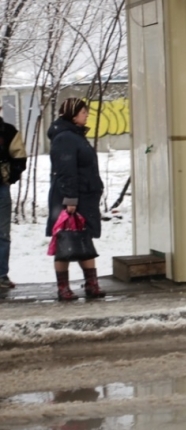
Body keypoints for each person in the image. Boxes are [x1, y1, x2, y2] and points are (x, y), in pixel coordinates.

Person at [47, 98, 105, 300]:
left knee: (83, 239)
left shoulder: (74, 136)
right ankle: (64, 287)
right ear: (73, 114)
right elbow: (66, 171)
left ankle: (92, 284)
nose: (86, 115)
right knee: (65, 240)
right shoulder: (66, 138)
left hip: (83, 197)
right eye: (83, 112)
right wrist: (70, 200)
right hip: (71, 199)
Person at [0, 113, 28, 289]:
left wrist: (9, 177)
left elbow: (20, 157)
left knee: (2, 234)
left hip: (1, 189)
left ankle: (1, 275)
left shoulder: (8, 132)